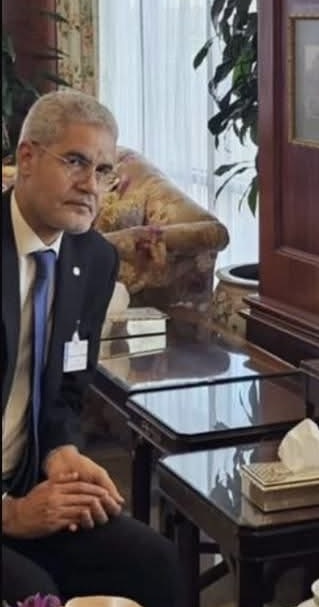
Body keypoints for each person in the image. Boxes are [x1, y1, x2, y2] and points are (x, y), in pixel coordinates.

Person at [2, 90, 183, 606]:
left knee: (155, 563)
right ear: (28, 158)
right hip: (10, 507)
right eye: (75, 162)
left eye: (103, 170)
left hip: (27, 481)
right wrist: (9, 514)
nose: (90, 185)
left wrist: (60, 453)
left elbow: (66, 391)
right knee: (36, 594)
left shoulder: (94, 259)